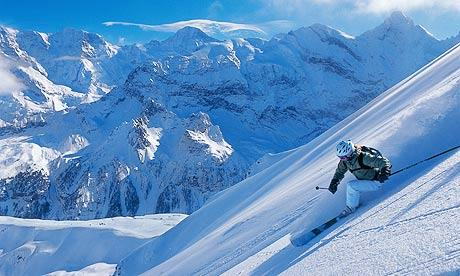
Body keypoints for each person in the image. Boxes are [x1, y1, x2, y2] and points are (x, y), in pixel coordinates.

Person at [328, 140, 392, 216]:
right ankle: (354, 202)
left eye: (344, 157)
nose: (343, 159)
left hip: (376, 181)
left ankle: (350, 208)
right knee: (353, 187)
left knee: (351, 186)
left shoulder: (363, 157)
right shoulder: (346, 161)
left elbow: (383, 161)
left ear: (350, 153)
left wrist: (385, 171)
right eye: (340, 157)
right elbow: (339, 172)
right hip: (366, 181)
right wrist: (334, 182)